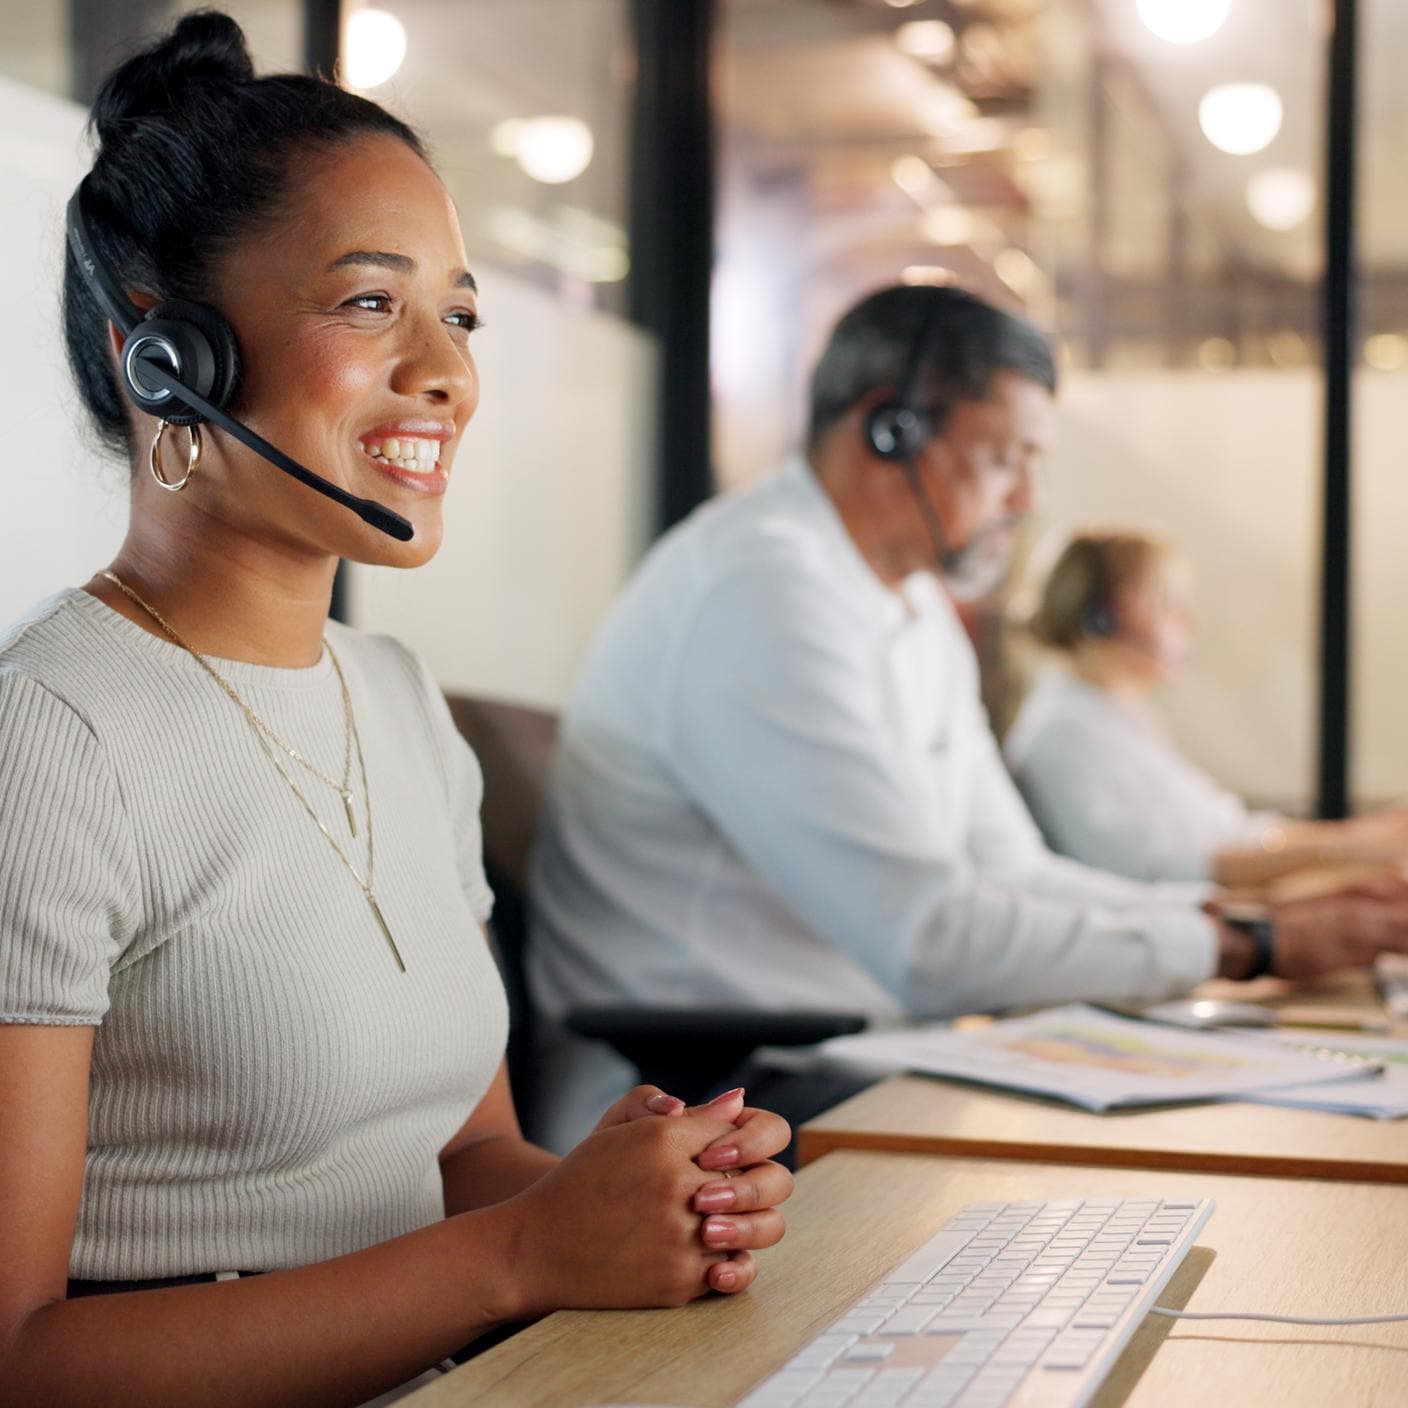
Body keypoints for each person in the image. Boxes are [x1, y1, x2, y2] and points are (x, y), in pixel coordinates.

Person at [0, 15, 791, 1407]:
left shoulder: (398, 701)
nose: (449, 370)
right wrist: (528, 1255)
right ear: (164, 353)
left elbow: (463, 1159)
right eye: (371, 303)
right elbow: (20, 1360)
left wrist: (651, 1209)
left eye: (461, 313)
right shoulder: (48, 739)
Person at [527, 283, 1408, 1150]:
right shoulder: (760, 590)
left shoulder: (908, 610)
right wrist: (1247, 941)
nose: (1028, 501)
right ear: (890, 430)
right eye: (1007, 459)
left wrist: (1227, 919)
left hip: (847, 1056)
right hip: (701, 1092)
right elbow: (934, 940)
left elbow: (1010, 871)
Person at [1006, 530, 1408, 892]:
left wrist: (1356, 837)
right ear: (1101, 619)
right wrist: (1338, 850)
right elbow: (1158, 868)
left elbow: (1225, 828)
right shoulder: (1063, 735)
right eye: (1168, 603)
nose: (1189, 624)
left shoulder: (1116, 717)